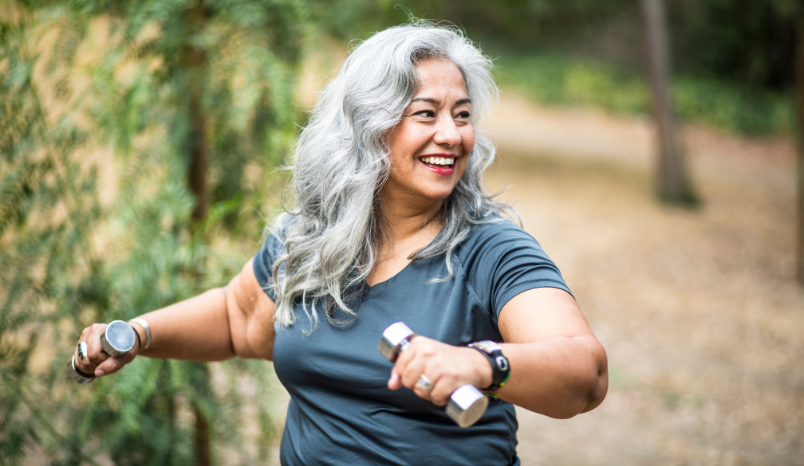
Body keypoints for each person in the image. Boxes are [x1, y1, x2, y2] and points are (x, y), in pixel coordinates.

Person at [73, 22, 608, 465]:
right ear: (369, 127)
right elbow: (239, 320)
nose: (453, 134)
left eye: (462, 114)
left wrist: (482, 365)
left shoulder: (492, 251)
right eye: (427, 113)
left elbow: (585, 373)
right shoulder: (308, 237)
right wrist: (138, 334)